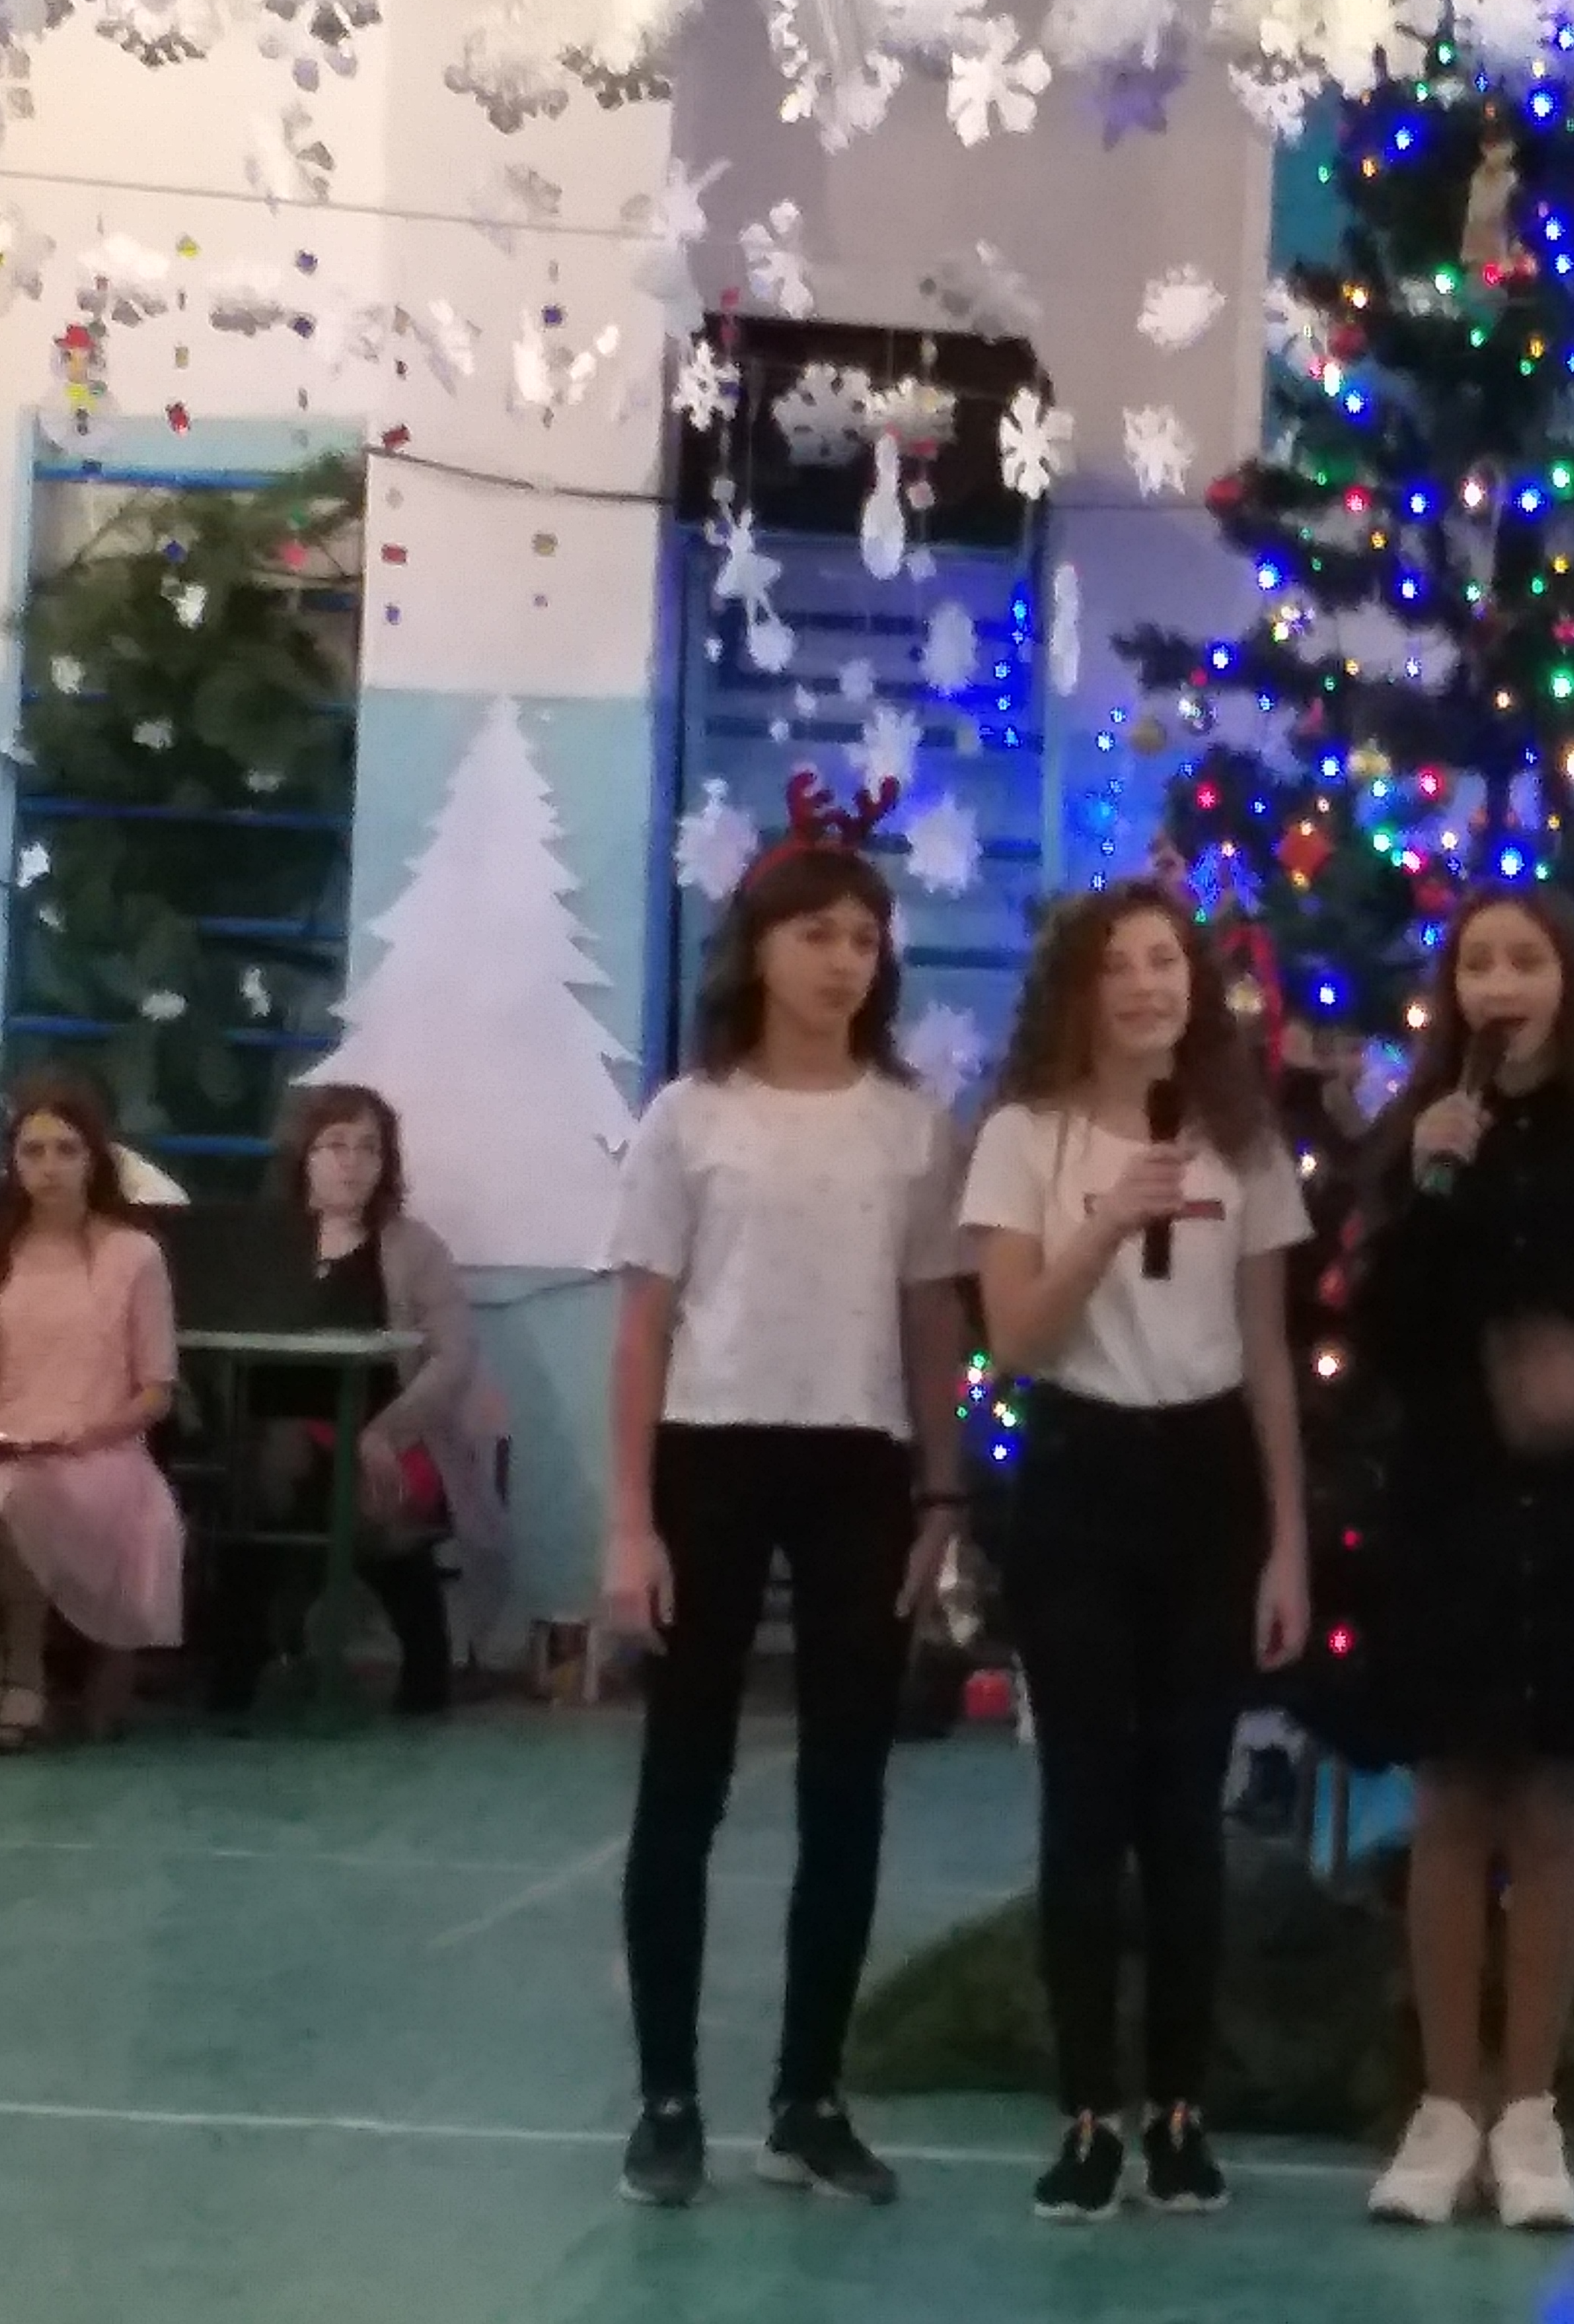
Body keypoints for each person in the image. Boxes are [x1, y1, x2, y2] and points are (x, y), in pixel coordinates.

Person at [603, 783, 966, 2214]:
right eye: (815, 934)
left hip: (857, 1463)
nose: (841, 962)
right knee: (682, 1781)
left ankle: (808, 2096)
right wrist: (629, 1518)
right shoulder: (688, 1118)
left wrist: (942, 1492)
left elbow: (933, 1319)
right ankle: (667, 2097)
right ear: (757, 948)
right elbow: (643, 1326)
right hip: (711, 1451)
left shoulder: (910, 1127)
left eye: (863, 940)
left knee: (846, 1788)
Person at [1353, 889, 1574, 2233]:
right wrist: (1428, 1187)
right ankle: (1444, 2107)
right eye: (1475, 964)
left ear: (1566, 980)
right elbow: (1379, 1332)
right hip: (1447, 1504)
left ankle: (1529, 2112)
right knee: (1450, 1800)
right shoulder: (1422, 1131)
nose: (1498, 985)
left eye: (1524, 960)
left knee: (1550, 1804)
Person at [961, 880, 1313, 2223]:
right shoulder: (1022, 1138)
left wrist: (1287, 1543)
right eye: (1118, 967)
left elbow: (1268, 1352)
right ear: (1077, 990)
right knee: (1084, 1810)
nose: (1148, 987)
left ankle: (1177, 2110)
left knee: (1183, 1813)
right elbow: (1014, 1339)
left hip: (1207, 1478)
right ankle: (1085, 2113)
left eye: (1167, 961)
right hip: (1081, 1475)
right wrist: (1105, 1221)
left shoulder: (1243, 1139)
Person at [204, 1083, 509, 1719]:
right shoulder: (262, 1244)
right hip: (276, 1436)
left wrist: (387, 1432)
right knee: (267, 1468)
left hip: (391, 1434)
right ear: (305, 1157)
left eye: (369, 1148)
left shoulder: (415, 1248)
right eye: (336, 1145)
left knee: (343, 1489)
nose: (352, 1162)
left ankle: (406, 1662)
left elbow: (453, 1357)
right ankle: (245, 1661)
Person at [0, 1069, 185, 1753]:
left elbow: (156, 1391)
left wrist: (83, 1433)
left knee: (18, 1495)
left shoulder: (135, 1255)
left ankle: (27, 1672)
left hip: (100, 1450)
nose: (49, 1167)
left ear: (94, 1158)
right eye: (33, 1151)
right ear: (13, 1163)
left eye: (66, 1150)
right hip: (10, 1435)